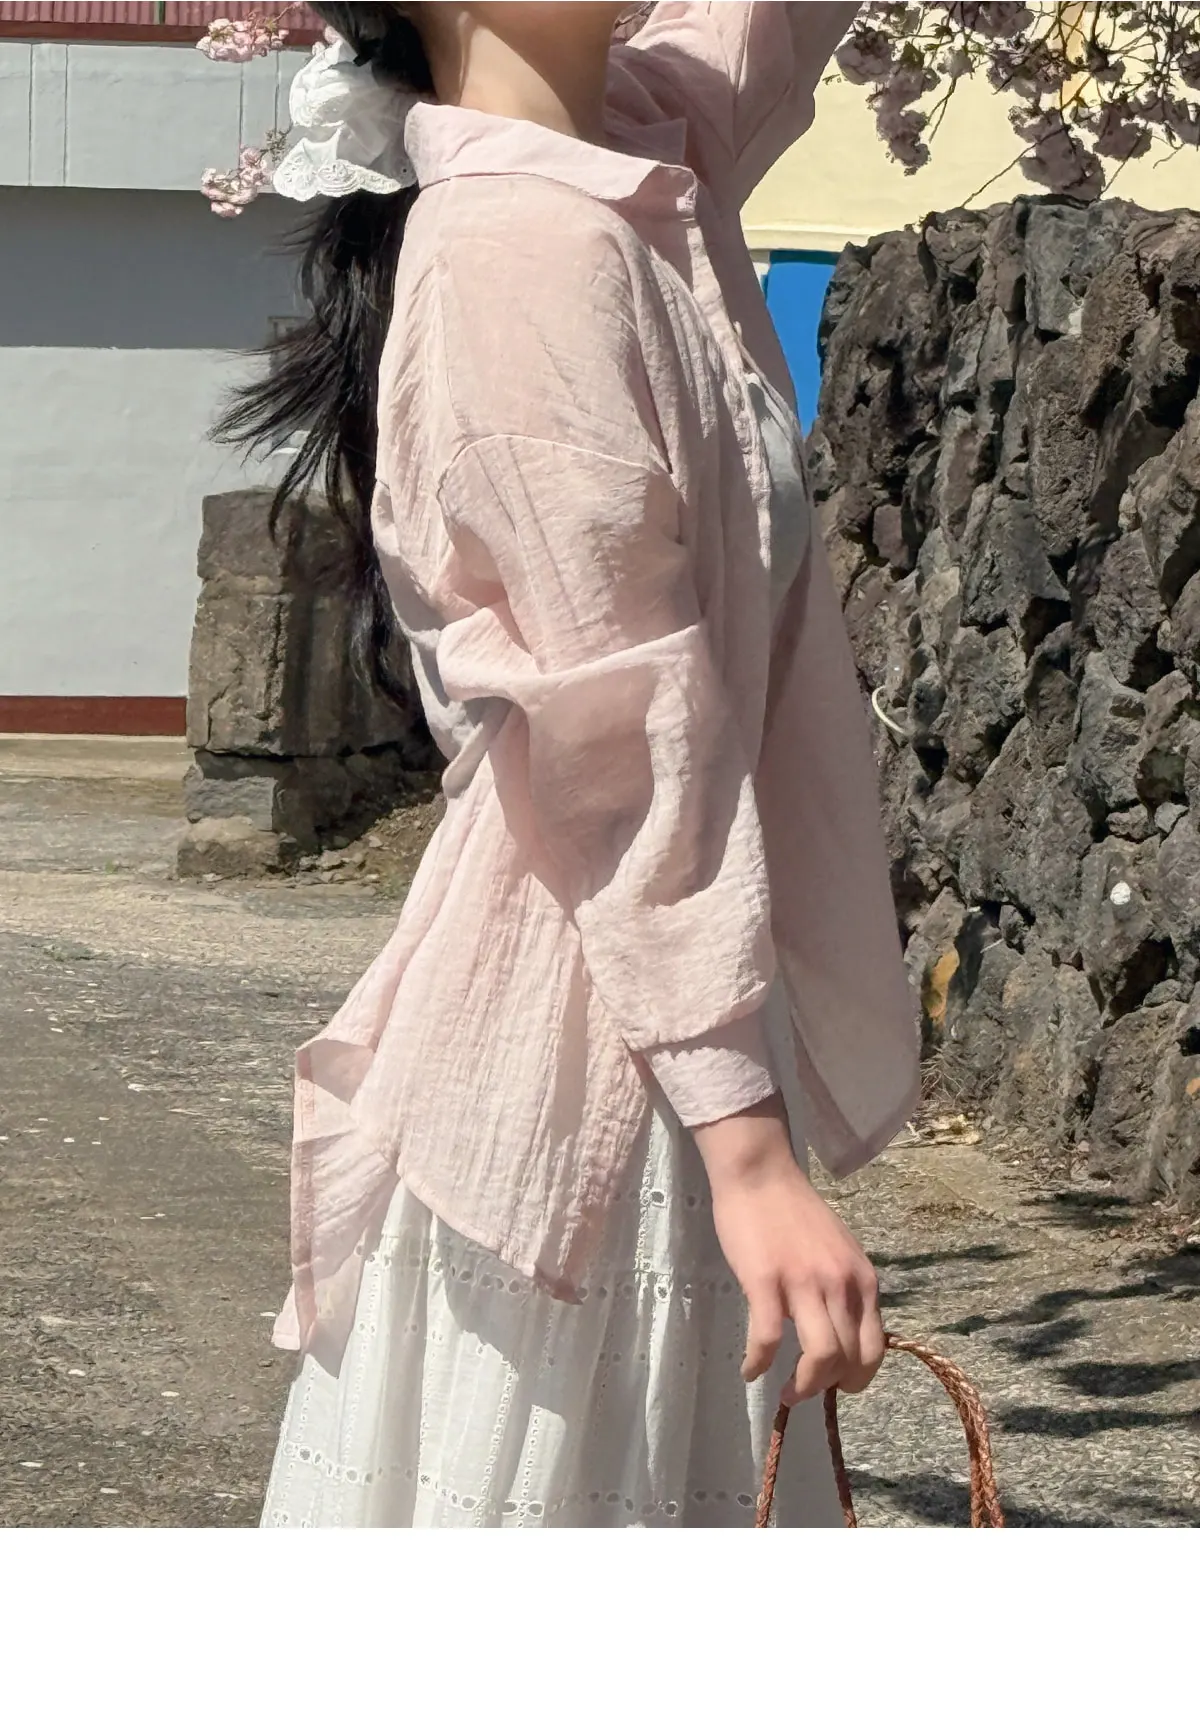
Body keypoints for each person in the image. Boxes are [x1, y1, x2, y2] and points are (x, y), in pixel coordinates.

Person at [219, 1, 919, 1528]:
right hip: (593, 1034)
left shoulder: (647, 154)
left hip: (669, 995)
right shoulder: (521, 249)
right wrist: (748, 1151)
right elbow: (610, 733)